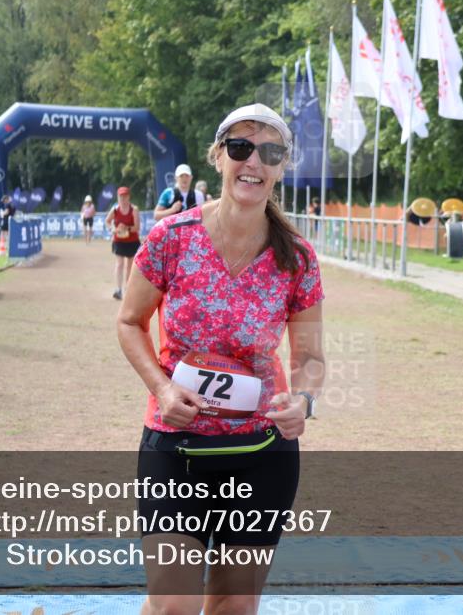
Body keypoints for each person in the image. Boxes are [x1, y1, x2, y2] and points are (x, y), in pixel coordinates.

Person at [117, 104, 325, 615]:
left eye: (270, 152)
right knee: (173, 606)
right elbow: (129, 322)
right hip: (176, 445)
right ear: (218, 157)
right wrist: (163, 390)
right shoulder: (172, 238)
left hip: (261, 455)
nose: (253, 161)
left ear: (281, 167)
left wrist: (302, 400)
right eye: (240, 147)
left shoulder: (296, 258)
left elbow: (311, 357)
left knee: (233, 608)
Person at [105, 186, 140, 299]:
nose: (123, 199)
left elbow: (137, 227)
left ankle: (127, 289)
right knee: (119, 264)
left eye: (125, 196)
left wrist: (126, 228)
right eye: (121, 196)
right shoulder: (115, 210)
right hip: (119, 240)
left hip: (132, 241)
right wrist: (112, 229)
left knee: (129, 266)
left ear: (129, 197)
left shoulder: (134, 209)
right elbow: (107, 221)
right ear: (118, 197)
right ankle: (119, 290)